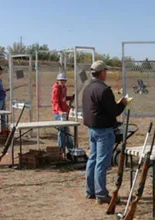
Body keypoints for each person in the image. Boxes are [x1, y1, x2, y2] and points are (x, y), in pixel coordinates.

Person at [82, 60, 128, 204]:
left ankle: (90, 191)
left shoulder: (88, 88)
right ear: (102, 73)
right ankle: (101, 194)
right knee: (101, 163)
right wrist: (123, 103)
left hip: (92, 129)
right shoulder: (104, 90)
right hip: (103, 130)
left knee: (93, 160)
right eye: (106, 71)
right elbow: (113, 111)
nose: (106, 74)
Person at [51, 73, 74, 157]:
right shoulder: (56, 89)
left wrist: (70, 97)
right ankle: (61, 150)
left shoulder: (64, 88)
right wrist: (60, 112)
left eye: (64, 80)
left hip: (64, 112)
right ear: (58, 80)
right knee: (62, 132)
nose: (62, 82)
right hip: (58, 114)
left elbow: (63, 98)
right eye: (61, 80)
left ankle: (70, 149)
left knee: (66, 132)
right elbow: (55, 102)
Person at [0, 66, 9, 135]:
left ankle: (3, 130)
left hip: (2, 98)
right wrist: (2, 90)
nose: (2, 71)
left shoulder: (0, 79)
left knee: (3, 115)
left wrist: (4, 90)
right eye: (1, 70)